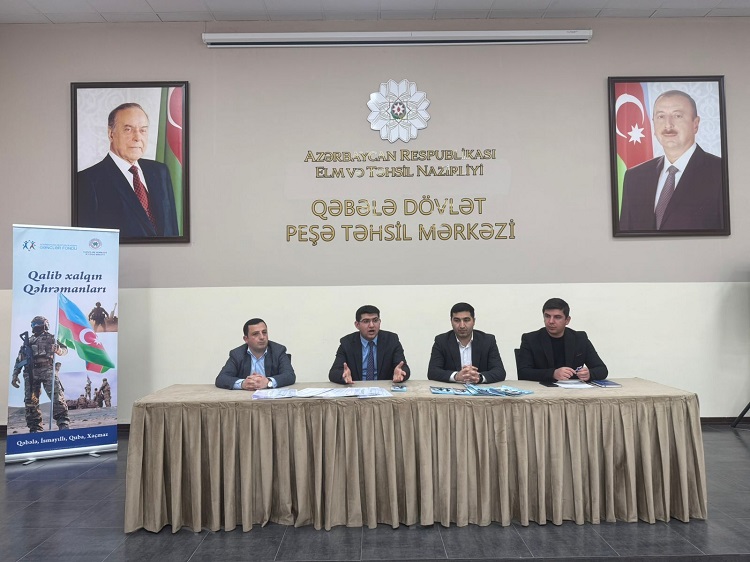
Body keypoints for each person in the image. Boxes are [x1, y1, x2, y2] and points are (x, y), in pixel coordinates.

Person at [619, 90, 724, 231]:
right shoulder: (634, 177)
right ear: (653, 124)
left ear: (695, 124)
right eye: (661, 116)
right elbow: (625, 236)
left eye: (677, 116)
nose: (668, 125)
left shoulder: (721, 172)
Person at [77, 102, 179, 238]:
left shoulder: (160, 172)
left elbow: (172, 228)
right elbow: (89, 241)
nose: (137, 138)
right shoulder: (87, 181)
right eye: (128, 129)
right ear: (111, 134)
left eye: (143, 130)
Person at [516, 298, 608, 383]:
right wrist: (553, 374)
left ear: (567, 320)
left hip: (573, 391)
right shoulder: (530, 339)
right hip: (542, 389)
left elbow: (602, 369)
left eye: (557, 317)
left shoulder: (580, 338)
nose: (551, 321)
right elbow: (523, 372)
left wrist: (589, 374)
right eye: (547, 316)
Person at [11, 316, 71, 432]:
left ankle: (63, 423)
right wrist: (15, 375)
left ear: (45, 325)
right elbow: (19, 360)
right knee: (31, 401)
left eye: (38, 323)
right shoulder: (27, 342)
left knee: (57, 397)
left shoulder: (51, 338)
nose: (36, 326)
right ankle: (35, 428)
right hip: (31, 374)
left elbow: (65, 350)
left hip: (47, 370)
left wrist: (58, 350)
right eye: (34, 324)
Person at [427, 302, 506, 384]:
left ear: (474, 321)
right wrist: (456, 376)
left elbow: (499, 372)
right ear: (451, 321)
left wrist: (479, 377)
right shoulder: (441, 341)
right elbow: (433, 372)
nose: (462, 326)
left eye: (466, 320)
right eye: (457, 320)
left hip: (480, 390)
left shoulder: (487, 341)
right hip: (453, 389)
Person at [329, 305, 410, 384]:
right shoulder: (347, 343)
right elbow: (334, 372)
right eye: (366, 321)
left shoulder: (391, 340)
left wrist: (401, 373)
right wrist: (343, 376)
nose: (371, 325)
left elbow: (403, 367)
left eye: (375, 320)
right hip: (356, 389)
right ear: (357, 325)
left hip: (383, 389)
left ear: (379, 322)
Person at [215, 318, 296, 390]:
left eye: (264, 332)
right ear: (246, 339)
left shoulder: (278, 351)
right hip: (245, 398)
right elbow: (221, 378)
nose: (262, 337)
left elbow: (289, 375)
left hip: (272, 398)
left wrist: (268, 382)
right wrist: (243, 384)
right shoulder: (237, 354)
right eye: (255, 334)